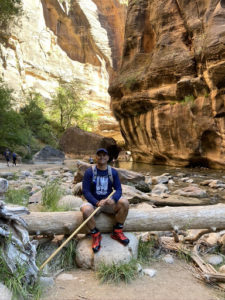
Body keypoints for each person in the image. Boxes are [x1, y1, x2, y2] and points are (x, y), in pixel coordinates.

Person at [81, 148, 129, 253]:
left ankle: (117, 231)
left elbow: (118, 189)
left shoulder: (113, 172)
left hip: (108, 203)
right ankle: (96, 235)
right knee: (85, 210)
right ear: (96, 157)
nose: (102, 157)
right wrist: (96, 202)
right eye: (99, 155)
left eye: (104, 155)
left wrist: (113, 199)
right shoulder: (90, 172)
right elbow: (86, 191)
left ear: (108, 158)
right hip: (94, 203)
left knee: (124, 203)